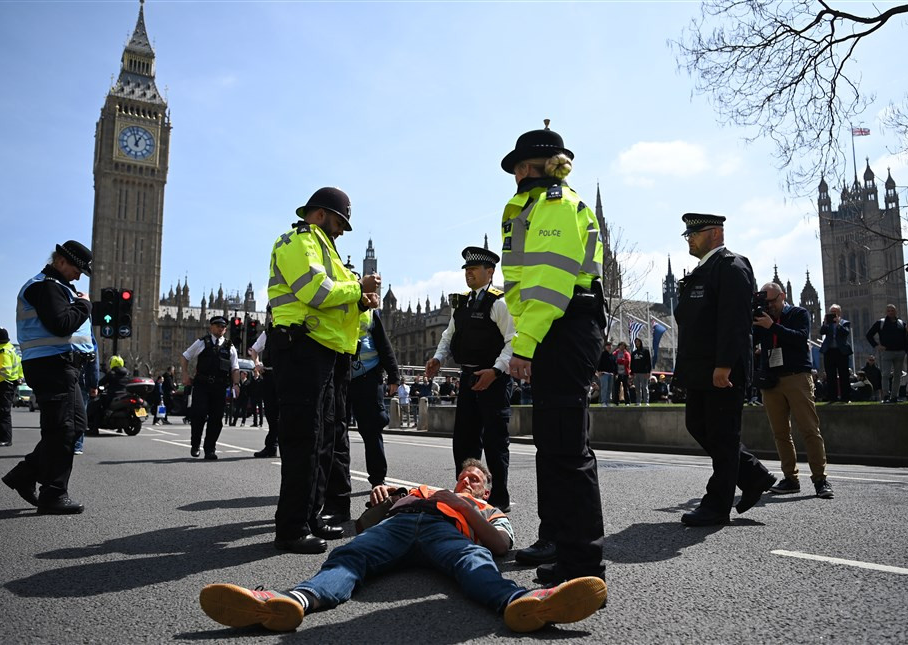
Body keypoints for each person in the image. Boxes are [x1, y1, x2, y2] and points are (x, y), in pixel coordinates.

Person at [198, 459, 607, 634]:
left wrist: (463, 505)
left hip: (447, 534)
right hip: (398, 525)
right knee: (349, 557)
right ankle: (290, 601)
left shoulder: (486, 507)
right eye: (463, 477)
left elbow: (501, 546)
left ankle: (524, 604)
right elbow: (361, 529)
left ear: (487, 487)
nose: (468, 481)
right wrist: (381, 504)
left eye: (476, 479)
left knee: (475, 561)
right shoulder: (420, 489)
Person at [498, 121, 606, 584]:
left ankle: (581, 562)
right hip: (552, 330)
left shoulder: (554, 205)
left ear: (535, 167)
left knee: (566, 447)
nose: (515, 176)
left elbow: (548, 283)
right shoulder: (537, 205)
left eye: (520, 167)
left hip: (562, 327)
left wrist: (524, 346)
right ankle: (557, 540)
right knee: (553, 444)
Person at [266, 186, 380, 554]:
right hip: (301, 349)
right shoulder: (298, 241)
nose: (342, 231)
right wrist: (358, 288)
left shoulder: (326, 247)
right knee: (303, 439)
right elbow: (315, 291)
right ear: (319, 214)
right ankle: (292, 528)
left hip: (328, 353)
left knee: (324, 440)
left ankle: (312, 517)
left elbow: (339, 302)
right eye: (339, 222)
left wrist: (361, 300)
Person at [673, 214, 775, 526]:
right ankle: (753, 474)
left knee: (723, 433)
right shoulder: (702, 270)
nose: (689, 238)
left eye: (695, 233)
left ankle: (717, 505)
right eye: (687, 234)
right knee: (700, 426)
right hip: (700, 368)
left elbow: (734, 320)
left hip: (721, 368)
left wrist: (725, 364)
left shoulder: (732, 266)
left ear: (715, 233)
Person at [2, 240, 95, 514]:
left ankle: (25, 474)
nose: (79, 275)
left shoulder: (58, 286)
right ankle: (53, 494)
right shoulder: (45, 286)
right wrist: (84, 306)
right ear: (61, 261)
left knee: (75, 425)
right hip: (52, 365)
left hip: (63, 366)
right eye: (77, 269)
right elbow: (60, 323)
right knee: (61, 429)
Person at [426, 246, 515, 512]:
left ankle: (499, 496)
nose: (469, 274)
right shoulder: (461, 303)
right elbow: (448, 335)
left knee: (495, 441)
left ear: (490, 272)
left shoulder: (499, 303)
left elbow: (513, 341)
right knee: (464, 440)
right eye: (466, 270)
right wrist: (438, 358)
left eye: (474, 270)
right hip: (468, 377)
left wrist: (497, 370)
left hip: (493, 379)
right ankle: (466, 492)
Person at [752, 282, 835, 499]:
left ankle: (820, 479)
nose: (769, 306)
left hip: (797, 377)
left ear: (783, 296)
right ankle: (790, 478)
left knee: (809, 429)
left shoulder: (799, 313)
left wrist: (772, 326)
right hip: (771, 380)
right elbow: (750, 342)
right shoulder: (761, 318)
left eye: (772, 301)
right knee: (780, 433)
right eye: (765, 302)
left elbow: (800, 338)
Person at [349, 308, 400, 487]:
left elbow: (384, 344)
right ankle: (336, 484)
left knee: (371, 429)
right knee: (334, 433)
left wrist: (394, 376)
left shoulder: (370, 312)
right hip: (340, 377)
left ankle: (378, 479)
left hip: (368, 376)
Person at [181, 316, 240, 459]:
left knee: (216, 419)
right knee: (198, 415)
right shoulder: (202, 342)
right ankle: (195, 445)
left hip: (219, 387)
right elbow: (185, 356)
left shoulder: (229, 346)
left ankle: (210, 449)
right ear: (211, 327)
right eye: (218, 326)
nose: (221, 329)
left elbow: (235, 368)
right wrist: (184, 375)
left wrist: (236, 384)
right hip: (202, 385)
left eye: (223, 327)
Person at [249, 310, 280, 457]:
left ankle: (275, 444)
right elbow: (254, 350)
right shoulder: (268, 333)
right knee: (271, 412)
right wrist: (256, 363)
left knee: (284, 413)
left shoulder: (293, 328)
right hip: (269, 375)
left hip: (285, 376)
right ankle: (272, 446)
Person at [865, 304, 908, 403]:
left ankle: (894, 397)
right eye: (888, 311)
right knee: (885, 374)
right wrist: (876, 346)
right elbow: (869, 335)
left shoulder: (901, 323)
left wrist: (905, 349)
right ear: (886, 312)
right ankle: (886, 396)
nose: (890, 312)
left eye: (892, 310)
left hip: (900, 353)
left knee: (898, 376)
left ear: (895, 312)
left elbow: (907, 337)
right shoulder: (881, 323)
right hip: (887, 353)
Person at [0, 328, 22, 447]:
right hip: (6, 384)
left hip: (2, 384)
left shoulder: (2, 351)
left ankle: (5, 439)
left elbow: (4, 370)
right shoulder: (11, 349)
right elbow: (19, 366)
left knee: (2, 413)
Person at [818, 304, 852, 403]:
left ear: (839, 312)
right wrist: (824, 323)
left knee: (844, 375)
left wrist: (838, 324)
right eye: (832, 312)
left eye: (835, 312)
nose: (833, 314)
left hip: (841, 352)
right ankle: (832, 398)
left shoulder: (844, 322)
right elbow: (821, 332)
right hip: (829, 352)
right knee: (830, 375)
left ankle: (846, 398)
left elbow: (845, 333)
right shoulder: (827, 323)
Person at [73, 336, 99, 454]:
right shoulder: (86, 334)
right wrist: (94, 384)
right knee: (80, 413)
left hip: (62, 376)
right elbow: (93, 362)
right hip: (80, 379)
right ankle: (77, 445)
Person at [630, 337, 652, 406]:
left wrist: (648, 372)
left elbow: (648, 362)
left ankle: (646, 401)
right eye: (636, 342)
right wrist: (632, 373)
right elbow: (632, 363)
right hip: (636, 373)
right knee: (637, 388)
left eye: (638, 342)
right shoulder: (634, 353)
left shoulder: (645, 351)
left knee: (645, 387)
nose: (637, 343)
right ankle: (638, 401)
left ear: (641, 342)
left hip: (644, 373)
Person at [596, 341, 616, 407]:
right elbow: (598, 363)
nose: (609, 347)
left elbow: (614, 365)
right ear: (605, 347)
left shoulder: (612, 355)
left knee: (609, 389)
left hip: (611, 374)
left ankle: (608, 402)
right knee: (604, 388)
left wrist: (615, 373)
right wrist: (599, 371)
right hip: (604, 374)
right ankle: (603, 402)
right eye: (608, 346)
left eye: (610, 346)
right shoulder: (602, 354)